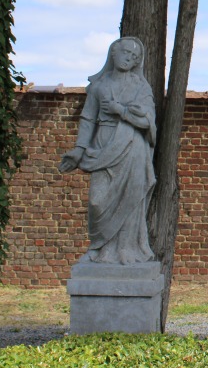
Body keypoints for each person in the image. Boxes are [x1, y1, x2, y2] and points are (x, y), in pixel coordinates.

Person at [59, 37, 156, 264]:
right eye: (125, 53)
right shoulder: (99, 86)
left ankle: (127, 250)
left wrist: (120, 110)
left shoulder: (141, 87)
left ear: (137, 63)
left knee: (130, 201)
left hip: (132, 148)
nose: (128, 59)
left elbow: (148, 122)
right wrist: (79, 149)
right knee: (97, 201)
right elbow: (88, 118)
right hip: (103, 144)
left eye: (134, 57)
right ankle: (98, 246)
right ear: (113, 54)